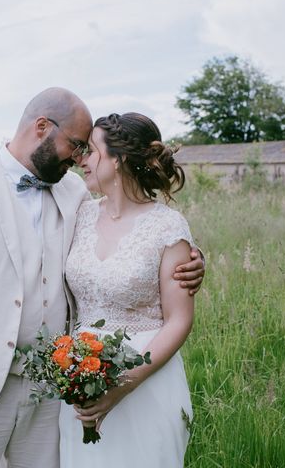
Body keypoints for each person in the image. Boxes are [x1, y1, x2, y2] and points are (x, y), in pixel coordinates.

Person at [0, 89, 205, 468]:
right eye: (75, 145)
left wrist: (192, 259)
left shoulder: (74, 193)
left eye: (88, 149)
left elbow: (143, 232)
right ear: (41, 127)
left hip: (56, 392)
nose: (80, 157)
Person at [59, 113, 195, 467]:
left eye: (90, 151)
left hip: (145, 381)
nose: (81, 160)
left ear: (117, 159)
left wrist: (123, 385)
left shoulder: (168, 227)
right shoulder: (81, 215)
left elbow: (179, 320)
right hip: (80, 382)